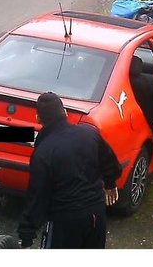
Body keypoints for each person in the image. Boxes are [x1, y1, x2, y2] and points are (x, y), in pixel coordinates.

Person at [18, 91, 122, 249]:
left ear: (38, 118)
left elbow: (37, 197)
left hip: (65, 221)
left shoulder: (43, 153)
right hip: (96, 215)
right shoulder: (89, 133)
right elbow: (109, 161)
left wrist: (26, 234)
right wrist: (110, 183)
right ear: (65, 113)